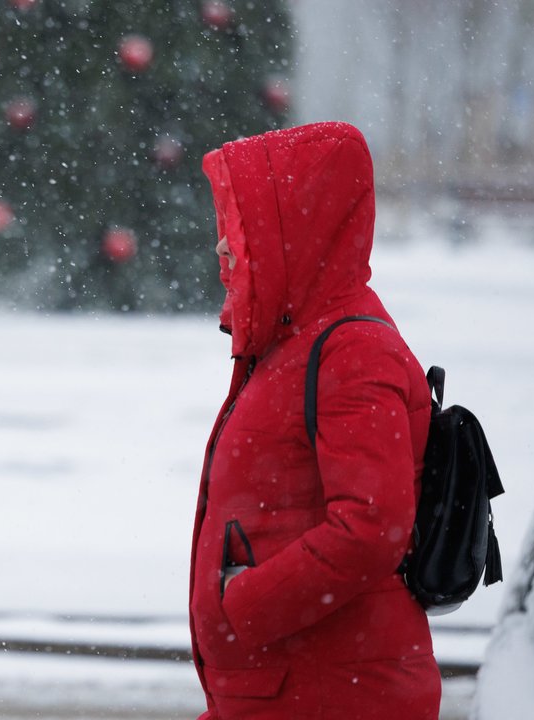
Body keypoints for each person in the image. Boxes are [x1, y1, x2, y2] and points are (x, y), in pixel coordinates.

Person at [188, 121, 441, 720]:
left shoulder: (350, 351)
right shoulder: (291, 342)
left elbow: (371, 526)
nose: (221, 248)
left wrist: (245, 605)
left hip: (330, 693)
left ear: (294, 228)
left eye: (237, 226)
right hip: (291, 689)